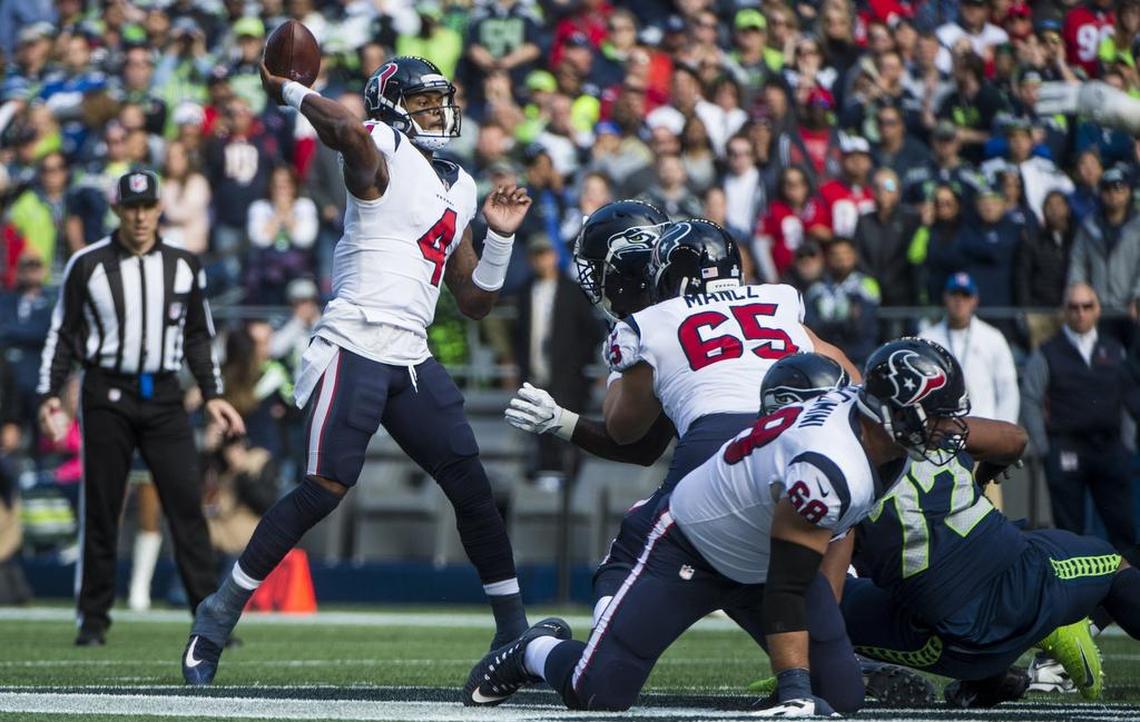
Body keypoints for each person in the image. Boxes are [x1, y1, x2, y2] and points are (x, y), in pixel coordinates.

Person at [181, 56, 535, 685]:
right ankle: (218, 612)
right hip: (355, 339)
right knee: (326, 486)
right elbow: (345, 130)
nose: (438, 112)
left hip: (412, 351)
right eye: (423, 102)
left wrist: (501, 238)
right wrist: (288, 87)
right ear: (393, 107)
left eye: (438, 101)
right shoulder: (380, 151)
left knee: (471, 484)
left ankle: (512, 629)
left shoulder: (459, 183)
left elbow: (476, 302)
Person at [466, 338, 968, 715]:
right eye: (938, 416)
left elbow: (835, 537)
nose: (949, 428)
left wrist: (1006, 445)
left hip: (768, 553)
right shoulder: (828, 460)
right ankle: (533, 649)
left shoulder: (874, 440)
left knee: (841, 695)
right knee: (597, 690)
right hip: (693, 547)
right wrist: (793, 686)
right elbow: (789, 584)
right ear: (888, 414)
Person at [36, 170, 246, 646]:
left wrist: (213, 396)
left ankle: (207, 620)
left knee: (186, 507)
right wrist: (49, 395)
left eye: (148, 206)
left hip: (165, 395)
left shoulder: (184, 265)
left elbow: (199, 335)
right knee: (103, 508)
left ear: (158, 210)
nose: (140, 216)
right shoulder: (88, 264)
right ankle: (92, 621)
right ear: (118, 211)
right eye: (131, 208)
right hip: (106, 393)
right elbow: (62, 334)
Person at [1021, 283, 1140, 565]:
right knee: (1067, 534)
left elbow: (1125, 398)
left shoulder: (1114, 349)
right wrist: (1042, 447)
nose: (1080, 313)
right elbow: (1031, 398)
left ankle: (1129, 596)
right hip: (1066, 449)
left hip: (1110, 448)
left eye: (1087, 306)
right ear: (1065, 311)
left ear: (1097, 309)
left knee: (1123, 531)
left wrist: (1127, 442)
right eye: (1073, 307)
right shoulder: (1048, 351)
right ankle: (1075, 606)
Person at [1066, 168, 1140, 335]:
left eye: (1118, 188)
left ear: (1128, 192)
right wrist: (1080, 296)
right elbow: (1078, 263)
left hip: (1133, 310)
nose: (1113, 194)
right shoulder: (1088, 226)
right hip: (1097, 311)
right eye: (1107, 189)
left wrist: (1138, 297)